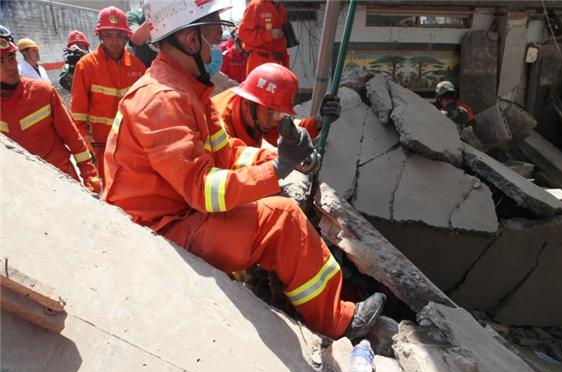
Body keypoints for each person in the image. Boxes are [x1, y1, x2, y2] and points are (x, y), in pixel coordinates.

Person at [102, 0, 385, 340]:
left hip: (174, 212)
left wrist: (278, 160)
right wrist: (277, 170)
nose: (216, 47)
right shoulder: (163, 99)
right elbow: (203, 190)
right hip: (159, 227)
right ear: (191, 41)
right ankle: (338, 322)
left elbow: (227, 152)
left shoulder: (188, 90)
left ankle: (316, 310)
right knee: (282, 219)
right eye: (213, 35)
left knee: (277, 210)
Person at [0, 25, 101, 193]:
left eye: (11, 57)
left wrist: (91, 177)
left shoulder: (43, 93)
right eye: (0, 61)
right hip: (23, 193)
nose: (10, 66)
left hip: (63, 184)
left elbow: (74, 139)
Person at [71, 6, 146, 183]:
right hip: (100, 147)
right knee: (108, 193)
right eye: (108, 35)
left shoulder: (138, 68)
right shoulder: (86, 66)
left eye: (119, 35)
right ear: (100, 36)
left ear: (127, 37)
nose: (114, 41)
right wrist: (87, 147)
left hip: (130, 146)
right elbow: (78, 114)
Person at [213, 63, 341, 148]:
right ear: (248, 104)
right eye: (271, 113)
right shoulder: (218, 124)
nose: (275, 120)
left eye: (279, 113)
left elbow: (289, 130)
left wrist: (318, 122)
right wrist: (277, 165)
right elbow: (232, 165)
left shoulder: (261, 113)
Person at [238, 0, 289, 75]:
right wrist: (269, 34)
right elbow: (244, 34)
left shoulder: (281, 8)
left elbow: (282, 42)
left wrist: (286, 65)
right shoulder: (255, 6)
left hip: (277, 63)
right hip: (259, 62)